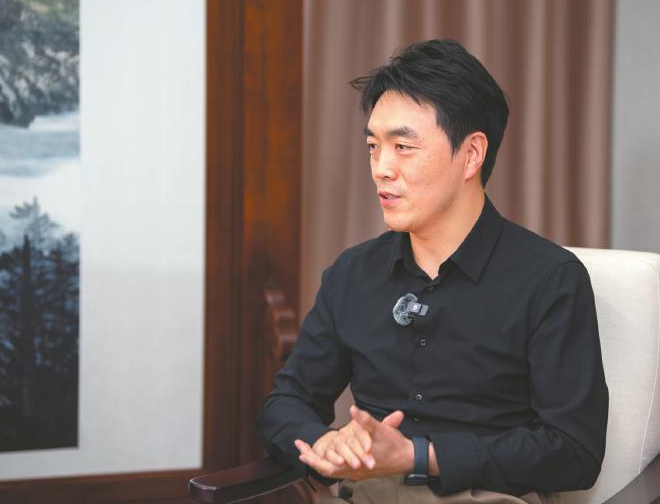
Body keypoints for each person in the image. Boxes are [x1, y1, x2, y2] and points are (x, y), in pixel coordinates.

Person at [257, 39, 609, 504]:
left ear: (472, 154)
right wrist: (326, 443)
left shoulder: (550, 280)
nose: (381, 169)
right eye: (373, 146)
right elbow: (286, 403)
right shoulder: (352, 273)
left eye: (403, 147)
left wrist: (419, 456)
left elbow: (574, 451)